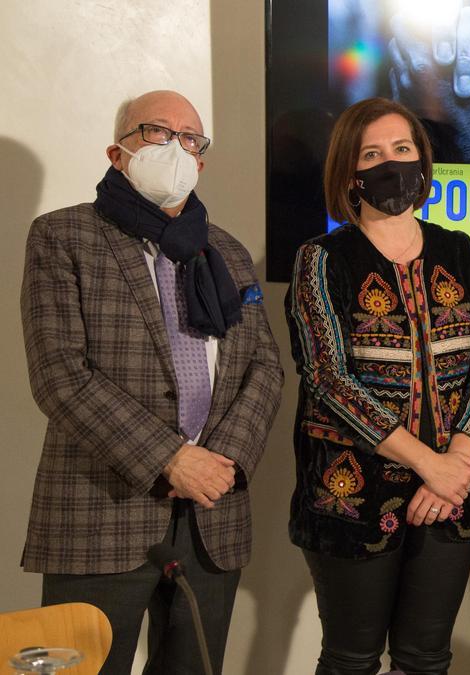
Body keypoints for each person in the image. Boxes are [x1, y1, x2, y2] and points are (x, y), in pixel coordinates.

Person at [20, 90, 283, 673]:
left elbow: (265, 367)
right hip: (100, 511)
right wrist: (170, 458)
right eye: (158, 132)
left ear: (202, 161)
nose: (177, 148)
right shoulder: (63, 237)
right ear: (118, 153)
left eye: (191, 139)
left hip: (211, 515)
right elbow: (59, 373)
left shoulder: (229, 253)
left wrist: (225, 461)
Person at [286, 96, 470, 675]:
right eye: (374, 153)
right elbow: (330, 380)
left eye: (403, 149)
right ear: (350, 173)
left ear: (423, 162)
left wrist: (453, 463)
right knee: (351, 659)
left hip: (455, 489)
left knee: (426, 658)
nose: (393, 163)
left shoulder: (458, 249)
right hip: (351, 493)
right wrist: (426, 463)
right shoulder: (321, 260)